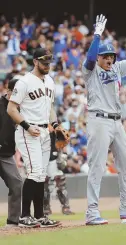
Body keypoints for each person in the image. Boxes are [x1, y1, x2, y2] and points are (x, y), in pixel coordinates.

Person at [82, 15, 126, 225]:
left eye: (111, 55)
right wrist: (97, 35)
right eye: (106, 56)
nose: (109, 58)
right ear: (100, 58)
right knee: (97, 167)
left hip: (116, 122)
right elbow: (91, 58)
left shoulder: (118, 68)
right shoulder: (91, 70)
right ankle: (92, 212)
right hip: (98, 120)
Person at [7, 48, 61, 228]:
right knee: (35, 172)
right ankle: (24, 216)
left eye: (49, 62)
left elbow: (50, 107)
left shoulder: (50, 81)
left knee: (41, 174)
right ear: (35, 61)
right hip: (29, 130)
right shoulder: (24, 82)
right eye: (44, 62)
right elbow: (11, 109)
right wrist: (27, 127)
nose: (47, 65)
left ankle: (39, 216)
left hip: (45, 131)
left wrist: (55, 125)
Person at [0, 78, 22, 227]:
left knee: (17, 183)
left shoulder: (21, 107)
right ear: (9, 91)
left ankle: (13, 222)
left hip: (6, 154)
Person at [44, 130, 75, 215]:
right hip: (42, 159)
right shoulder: (37, 126)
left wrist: (62, 156)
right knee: (44, 185)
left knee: (60, 183)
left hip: (54, 159)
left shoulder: (54, 128)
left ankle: (65, 207)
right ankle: (45, 208)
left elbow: (63, 142)